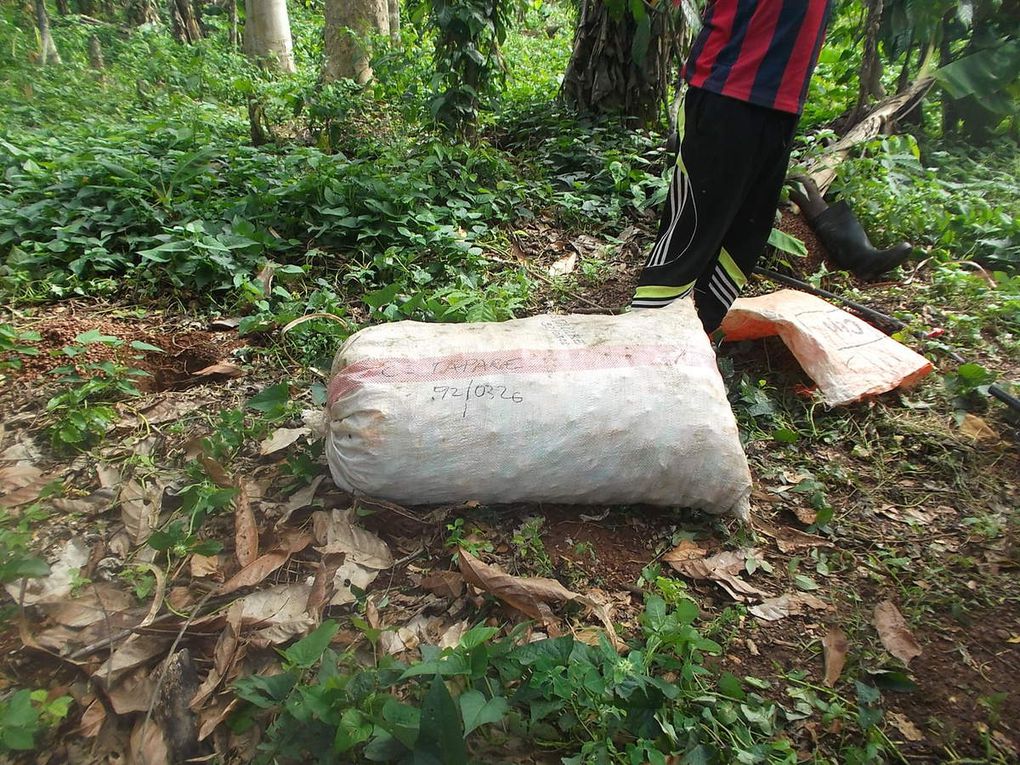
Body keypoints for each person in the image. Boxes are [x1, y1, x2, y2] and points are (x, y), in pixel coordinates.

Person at [631, 0, 835, 331]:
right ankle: (647, 337)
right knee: (692, 233)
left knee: (745, 234)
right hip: (729, 89)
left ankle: (699, 331)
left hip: (784, 100)